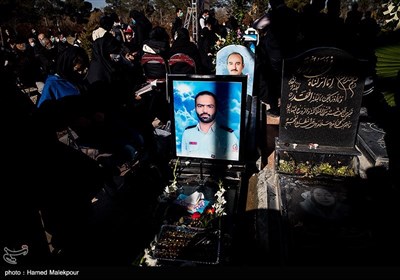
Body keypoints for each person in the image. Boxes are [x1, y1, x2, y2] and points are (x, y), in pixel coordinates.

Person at [181, 91, 239, 160]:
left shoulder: (229, 135)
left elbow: (233, 165)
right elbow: (183, 161)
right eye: (200, 106)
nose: (205, 110)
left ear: (216, 109)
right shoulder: (187, 133)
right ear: (195, 108)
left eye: (210, 106)